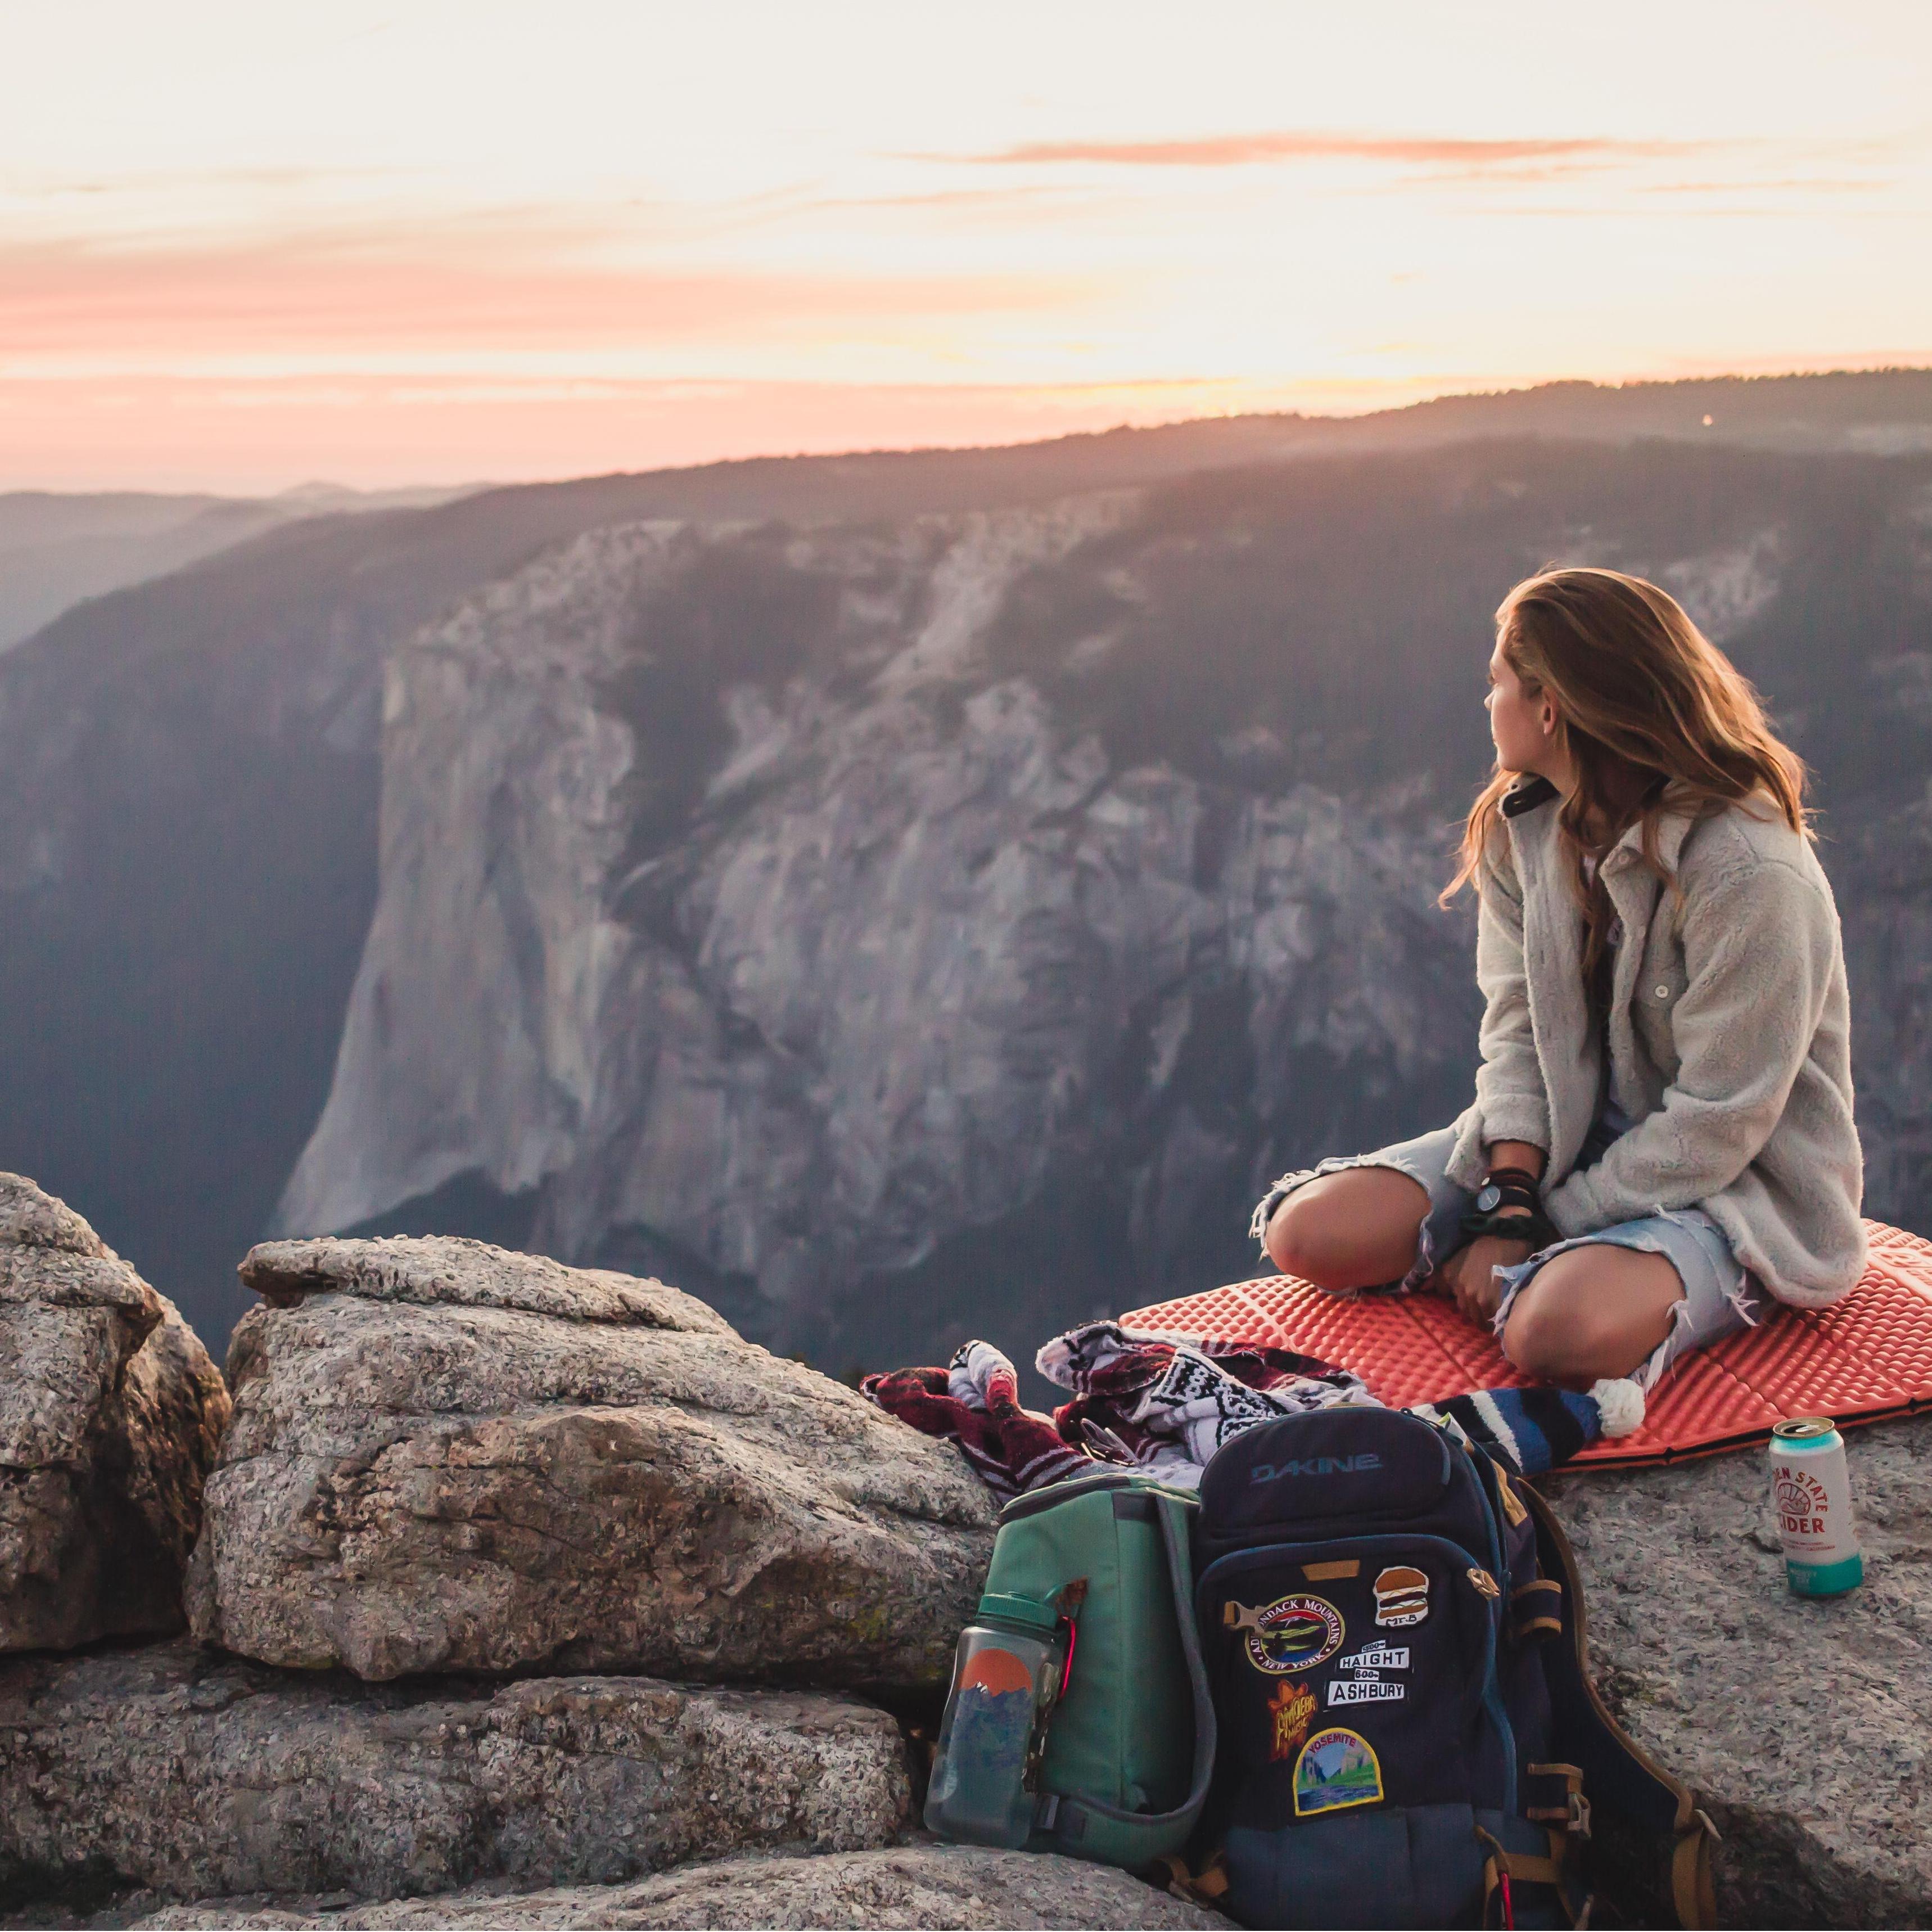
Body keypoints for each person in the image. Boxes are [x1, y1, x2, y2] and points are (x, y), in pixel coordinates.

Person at [1253, 566, 1865, 1392]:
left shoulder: (1748, 868)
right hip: (1564, 1148)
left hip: (1733, 1184)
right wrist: (1511, 1196)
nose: (1486, 703)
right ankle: (1534, 1272)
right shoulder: (1521, 831)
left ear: (1551, 707)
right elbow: (1516, 1034)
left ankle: (1575, 1279)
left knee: (1557, 1334)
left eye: (1498, 682)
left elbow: (1724, 1119)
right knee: (1309, 1235)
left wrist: (1544, 1225)